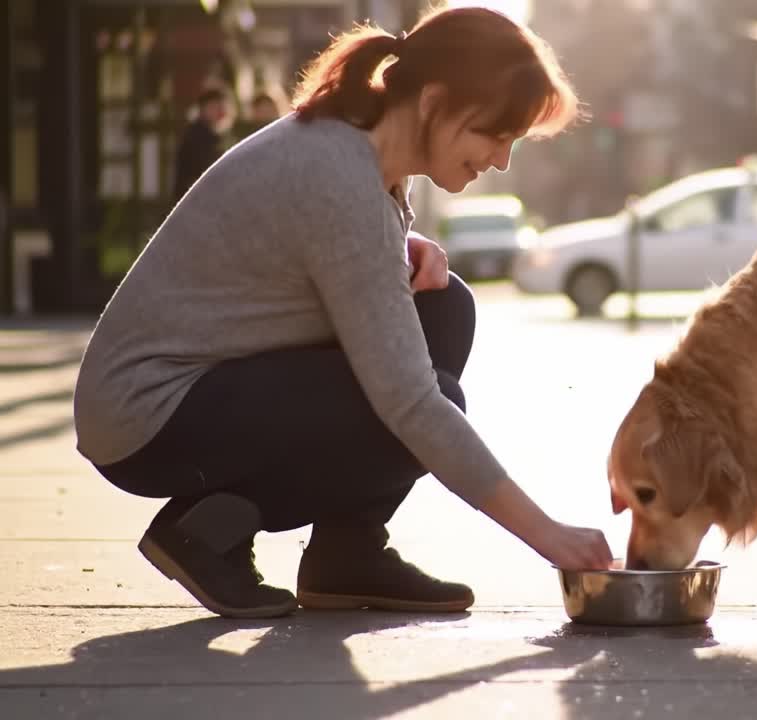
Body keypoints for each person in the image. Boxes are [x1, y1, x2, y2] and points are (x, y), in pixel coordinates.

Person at [72, 6, 614, 620]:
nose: (501, 160)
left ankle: (346, 554)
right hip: (149, 412)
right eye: (495, 135)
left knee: (446, 309)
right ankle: (204, 528)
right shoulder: (339, 170)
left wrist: (396, 248)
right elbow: (409, 403)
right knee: (422, 403)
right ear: (435, 102)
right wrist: (549, 537)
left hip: (208, 387)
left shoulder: (368, 155)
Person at [172, 86, 231, 206]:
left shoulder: (217, 135)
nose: (221, 111)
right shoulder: (198, 136)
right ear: (203, 109)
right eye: (215, 107)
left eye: (223, 107)